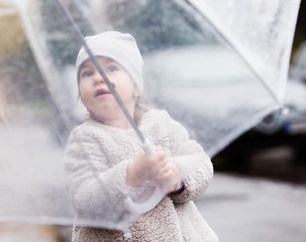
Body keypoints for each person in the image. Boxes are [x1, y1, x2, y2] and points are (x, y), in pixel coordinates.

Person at [64, 31, 218, 242]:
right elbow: (84, 198)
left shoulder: (160, 123)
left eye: (111, 68)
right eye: (87, 73)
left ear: (136, 85)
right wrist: (131, 174)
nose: (98, 77)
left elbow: (200, 162)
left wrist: (177, 177)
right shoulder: (85, 139)